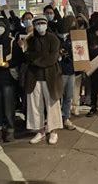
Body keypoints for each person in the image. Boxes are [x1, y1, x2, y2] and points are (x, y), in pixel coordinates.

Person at [24, 15, 63, 145]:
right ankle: (40, 131)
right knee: (35, 104)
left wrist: (36, 61)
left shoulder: (54, 39)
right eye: (37, 24)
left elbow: (52, 58)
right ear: (34, 25)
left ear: (46, 24)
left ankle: (53, 131)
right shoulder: (31, 40)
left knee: (52, 103)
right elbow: (28, 55)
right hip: (34, 77)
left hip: (50, 77)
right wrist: (39, 59)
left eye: (42, 23)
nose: (40, 26)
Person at [0, 18, 23, 143]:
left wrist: (9, 64)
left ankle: (10, 130)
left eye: (1, 26)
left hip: (8, 80)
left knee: (8, 107)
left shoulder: (12, 42)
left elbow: (19, 58)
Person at [58, 15, 77, 130]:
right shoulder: (58, 38)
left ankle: (66, 117)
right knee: (59, 96)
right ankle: (58, 118)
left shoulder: (75, 38)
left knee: (68, 96)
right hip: (61, 71)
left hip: (72, 71)